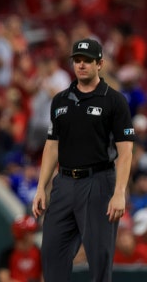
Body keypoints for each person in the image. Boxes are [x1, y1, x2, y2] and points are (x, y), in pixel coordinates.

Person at [31, 38, 136, 281]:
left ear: (100, 63)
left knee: (99, 259)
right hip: (64, 183)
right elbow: (52, 144)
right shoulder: (60, 100)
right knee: (51, 253)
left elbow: (126, 151)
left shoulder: (114, 100)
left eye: (87, 61)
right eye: (77, 60)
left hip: (99, 182)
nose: (81, 65)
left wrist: (120, 192)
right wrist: (41, 187)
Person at [0, 214, 42, 282]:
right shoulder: (7, 254)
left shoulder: (39, 253)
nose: (33, 236)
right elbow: (3, 279)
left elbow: (45, 277)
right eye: (30, 232)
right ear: (22, 234)